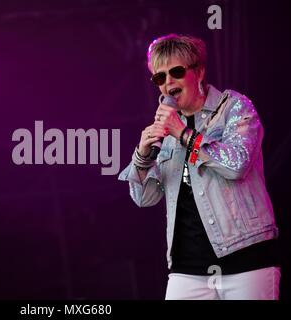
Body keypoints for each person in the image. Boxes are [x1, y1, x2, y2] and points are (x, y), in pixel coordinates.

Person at [118, 34, 280, 300]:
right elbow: (145, 198)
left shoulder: (233, 107)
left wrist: (183, 134)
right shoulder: (167, 127)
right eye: (160, 77)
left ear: (199, 72)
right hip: (187, 267)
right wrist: (142, 156)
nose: (168, 82)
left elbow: (237, 165)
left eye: (176, 72)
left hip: (245, 259)